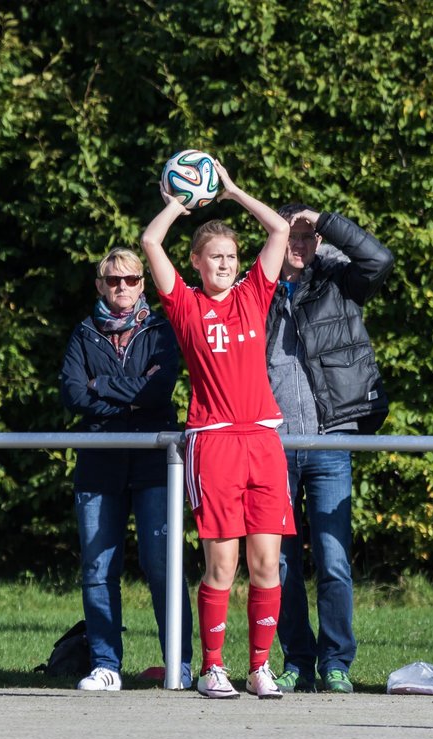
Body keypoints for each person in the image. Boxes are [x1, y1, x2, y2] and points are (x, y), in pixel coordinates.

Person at [141, 159, 293, 700]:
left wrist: (229, 191)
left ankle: (259, 668)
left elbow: (279, 229)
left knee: (266, 562)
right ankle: (211, 667)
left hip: (262, 441)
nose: (226, 263)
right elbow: (150, 242)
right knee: (223, 564)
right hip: (214, 440)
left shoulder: (256, 294)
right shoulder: (186, 306)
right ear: (198, 263)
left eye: (231, 256)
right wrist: (181, 203)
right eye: (216, 257)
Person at [265, 203, 394, 694]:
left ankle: (336, 661)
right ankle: (297, 659)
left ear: (318, 240)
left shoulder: (339, 281)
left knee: (334, 559)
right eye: (288, 237)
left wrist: (325, 219)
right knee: (279, 565)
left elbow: (379, 261)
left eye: (305, 237)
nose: (297, 246)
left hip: (330, 439)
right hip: (273, 444)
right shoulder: (257, 290)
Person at [58, 248, 194, 691]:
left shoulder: (161, 329)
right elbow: (75, 394)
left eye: (131, 280)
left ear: (142, 284)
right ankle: (105, 664)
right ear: (99, 284)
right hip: (99, 462)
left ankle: (180, 662)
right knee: (99, 569)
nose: (122, 287)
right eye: (113, 280)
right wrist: (126, 393)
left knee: (163, 566)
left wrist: (105, 386)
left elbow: (159, 390)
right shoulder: (82, 333)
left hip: (156, 461)